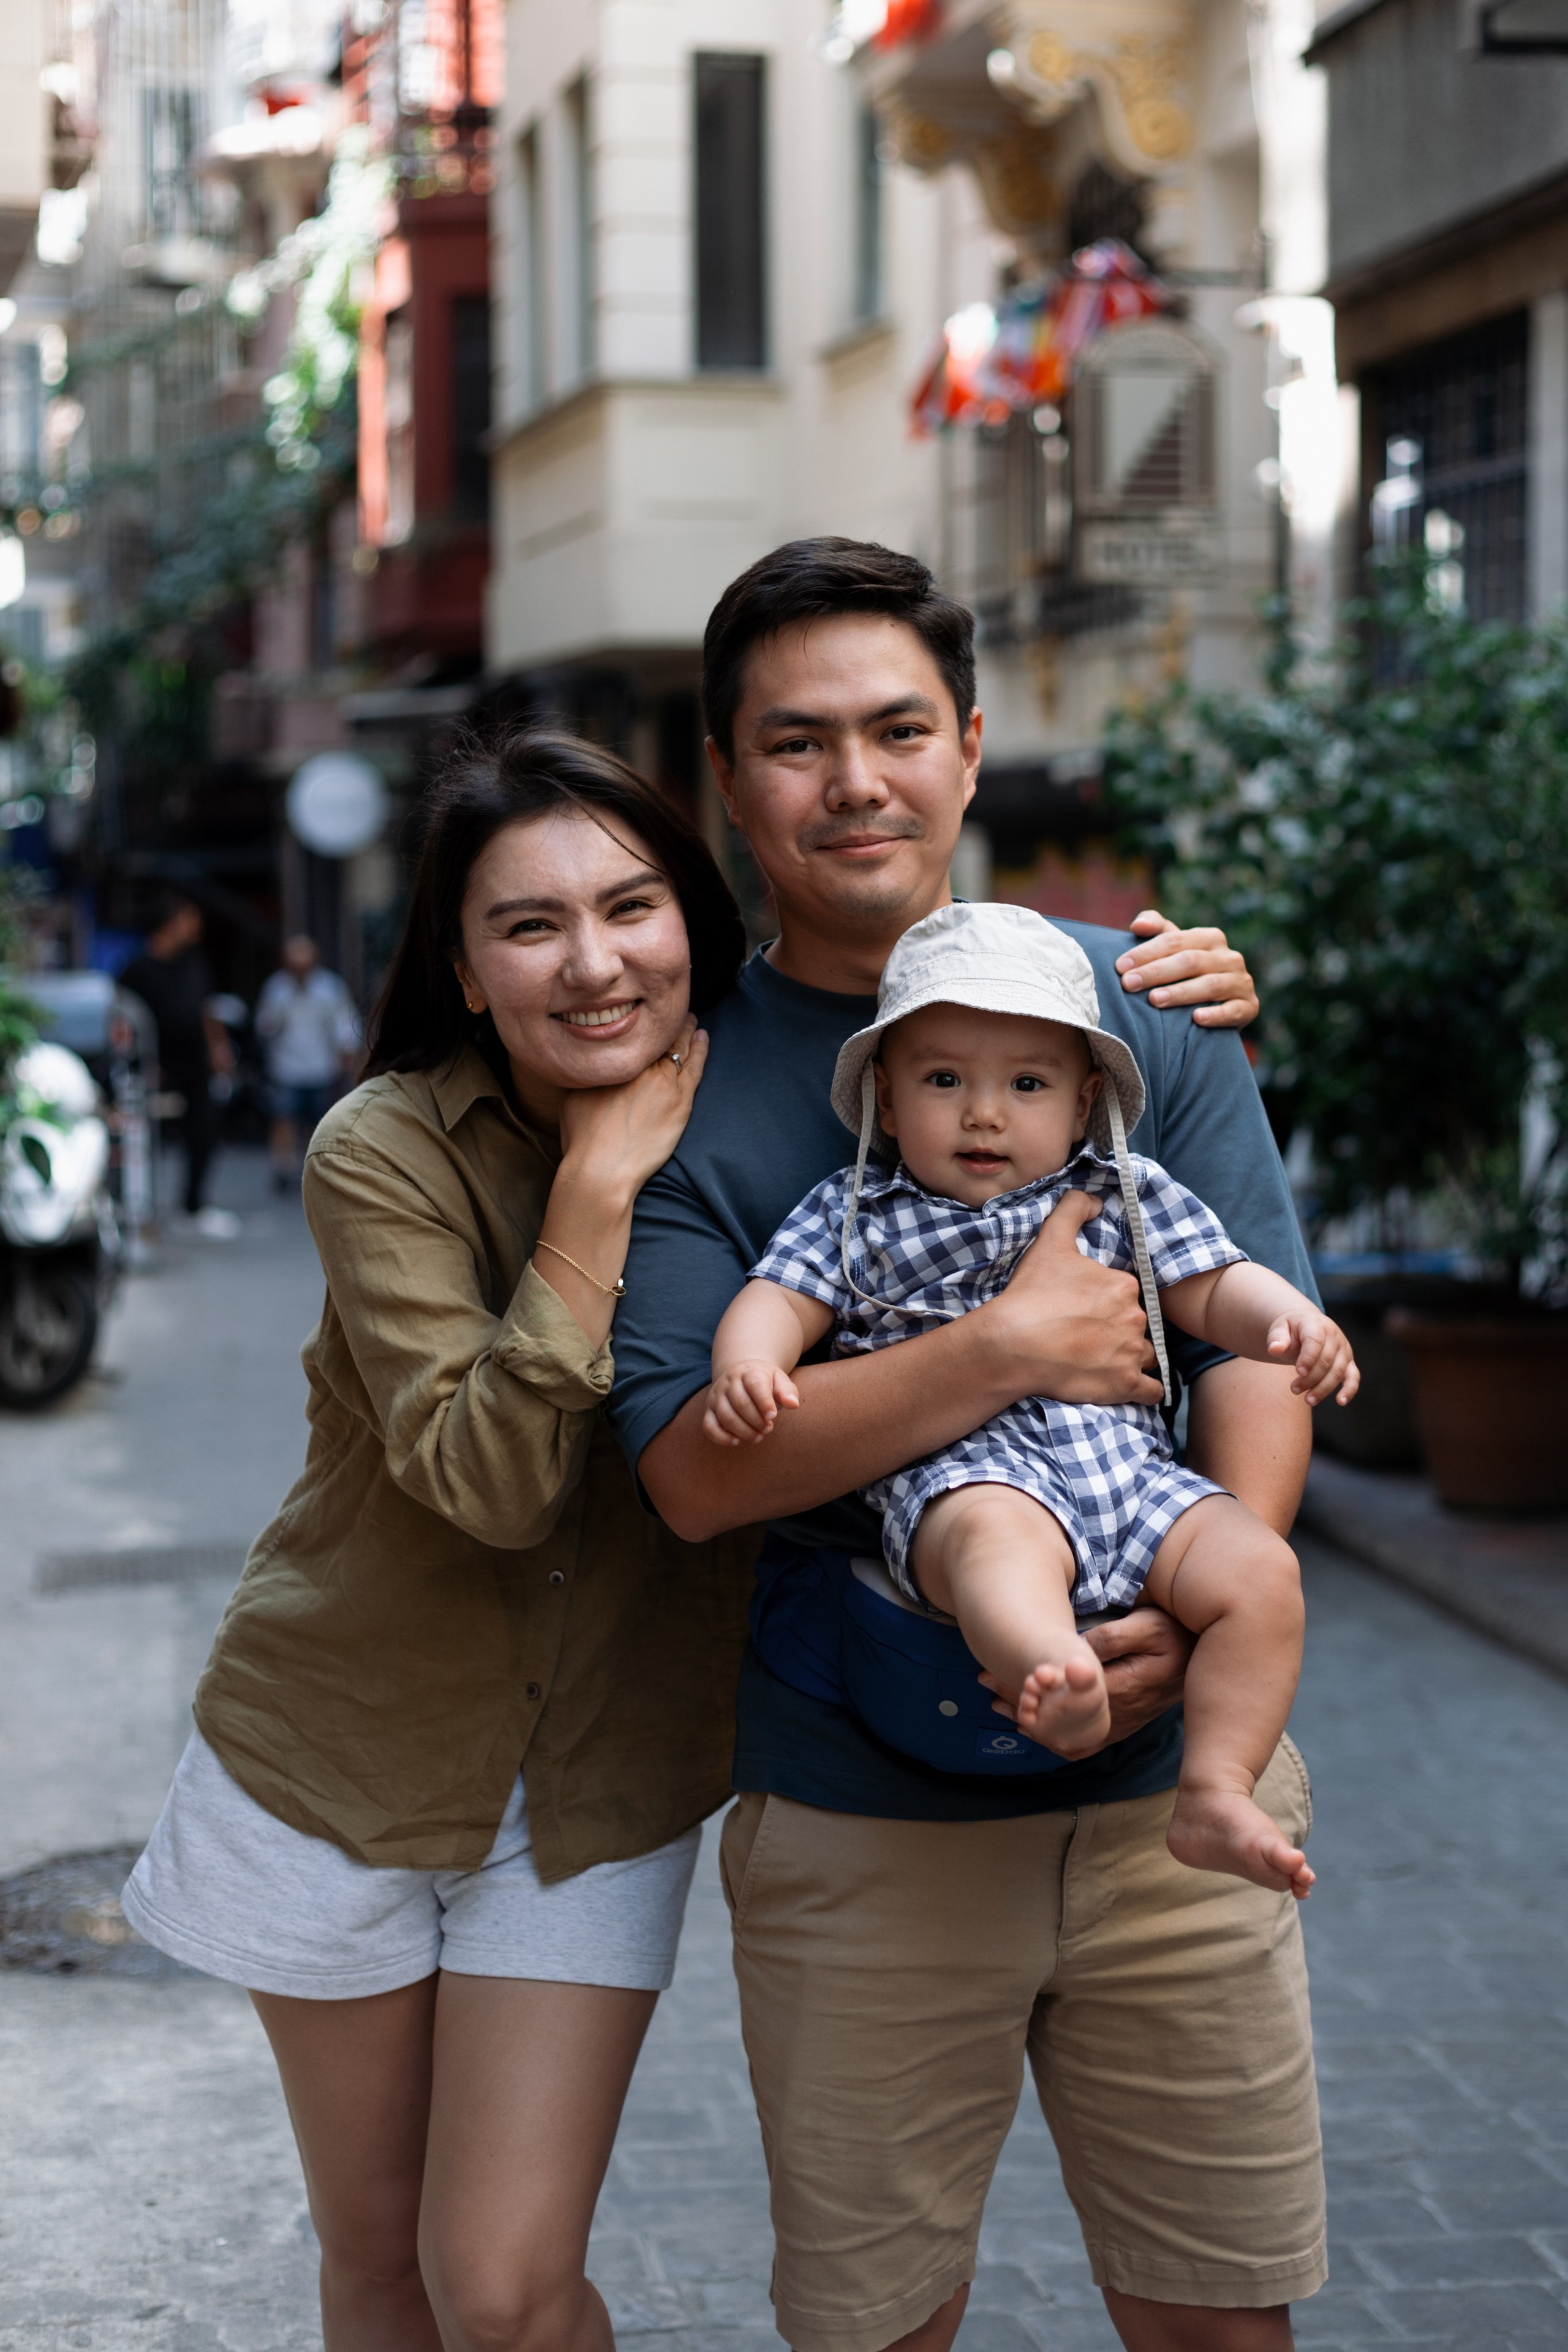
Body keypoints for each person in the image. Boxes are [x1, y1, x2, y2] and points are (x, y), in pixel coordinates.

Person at [608, 538, 1327, 2352]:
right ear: (727, 775)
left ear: (970, 743)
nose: (854, 779)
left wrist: (1187, 1595)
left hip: (1175, 1807)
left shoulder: (1141, 1006)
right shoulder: (692, 1082)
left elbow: (1246, 1340)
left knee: (1223, 2316)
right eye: (796, 740)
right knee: (874, 2327)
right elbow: (695, 1466)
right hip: (860, 1805)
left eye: (896, 727)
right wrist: (1006, 1345)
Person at [122, 731, 758, 2352]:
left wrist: (1166, 988)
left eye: (633, 905)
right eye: (530, 924)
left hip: (599, 1779)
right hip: (337, 1758)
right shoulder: (383, 1150)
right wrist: (595, 1197)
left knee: (508, 2285)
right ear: (467, 972)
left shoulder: (784, 1112)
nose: (596, 960)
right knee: (384, 2263)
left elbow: (1000, 1053)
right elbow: (486, 1480)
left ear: (693, 917)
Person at [706, 901, 1360, 1900]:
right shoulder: (859, 1213)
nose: (983, 1113)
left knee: (1263, 1571)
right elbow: (778, 1297)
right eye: (942, 1080)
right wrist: (751, 1364)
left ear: (1085, 1097)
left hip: (1134, 1482)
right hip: (971, 1479)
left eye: (1026, 1083)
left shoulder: (1123, 1190)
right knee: (997, 1553)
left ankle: (1218, 1786)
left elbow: (1216, 1280)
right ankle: (1054, 1674)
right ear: (883, 1090)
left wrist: (1289, 1326)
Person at [120, 891, 238, 1237]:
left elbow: (207, 1007)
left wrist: (219, 1048)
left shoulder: (194, 961)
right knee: (142, 1137)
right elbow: (124, 1020)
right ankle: (140, 1209)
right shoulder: (138, 967)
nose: (196, 927)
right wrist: (139, 1061)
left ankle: (193, 1204)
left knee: (205, 1129)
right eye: (190, 919)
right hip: (155, 1064)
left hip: (195, 1060)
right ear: (170, 923)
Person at [256, 933, 364, 1191]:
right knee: (283, 1118)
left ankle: (313, 1167)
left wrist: (346, 1055)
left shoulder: (330, 987)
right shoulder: (277, 988)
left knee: (318, 1121)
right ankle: (283, 1167)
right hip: (286, 1066)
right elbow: (265, 1025)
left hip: (321, 1068)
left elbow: (344, 1023)